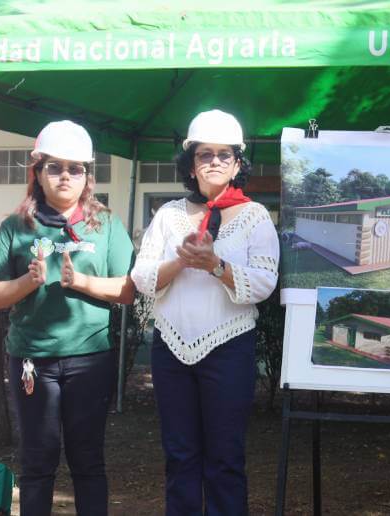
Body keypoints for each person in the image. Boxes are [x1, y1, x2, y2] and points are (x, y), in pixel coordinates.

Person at [131, 109, 279, 515]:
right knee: (179, 456)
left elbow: (264, 283)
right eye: (204, 154)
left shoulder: (254, 216)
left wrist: (215, 265)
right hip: (171, 348)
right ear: (191, 162)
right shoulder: (168, 215)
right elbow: (142, 276)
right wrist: (181, 261)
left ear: (237, 163)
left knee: (225, 458)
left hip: (230, 347)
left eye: (224, 154)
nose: (214, 161)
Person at [0, 120, 135, 516]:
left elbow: (128, 289)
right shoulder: (15, 227)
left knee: (87, 460)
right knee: (37, 462)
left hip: (89, 359)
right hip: (31, 360)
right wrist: (27, 282)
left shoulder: (106, 224)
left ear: (87, 176)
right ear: (38, 172)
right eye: (55, 166)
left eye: (76, 168)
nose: (65, 176)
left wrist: (82, 281)